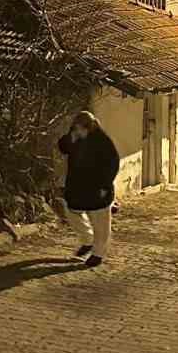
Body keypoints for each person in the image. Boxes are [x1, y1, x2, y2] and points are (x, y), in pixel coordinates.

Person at [56, 110, 119, 267]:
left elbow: (113, 163)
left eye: (80, 129)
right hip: (77, 186)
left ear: (88, 127)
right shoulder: (75, 136)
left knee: (101, 222)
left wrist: (105, 185)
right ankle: (87, 239)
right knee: (72, 211)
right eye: (75, 128)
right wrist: (71, 138)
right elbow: (63, 147)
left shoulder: (102, 141)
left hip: (98, 187)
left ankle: (98, 254)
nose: (78, 131)